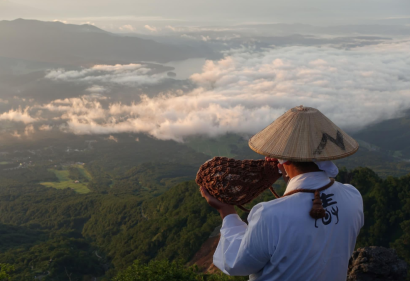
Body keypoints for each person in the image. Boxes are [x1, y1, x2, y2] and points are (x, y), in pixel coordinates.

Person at [200, 106, 364, 281]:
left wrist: (227, 213)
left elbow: (236, 263)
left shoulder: (269, 214)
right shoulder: (353, 197)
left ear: (282, 162)